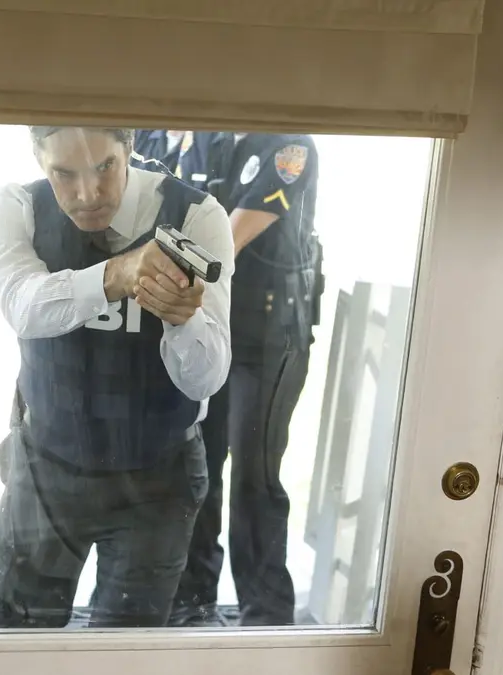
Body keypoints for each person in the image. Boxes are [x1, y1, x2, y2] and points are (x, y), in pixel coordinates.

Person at [0, 126, 235, 628]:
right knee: (11, 645)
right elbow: (22, 307)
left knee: (124, 654)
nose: (88, 193)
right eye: (64, 173)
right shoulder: (17, 207)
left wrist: (181, 319)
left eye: (104, 167)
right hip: (48, 466)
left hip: (158, 474)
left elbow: (206, 379)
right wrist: (117, 275)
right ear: (38, 157)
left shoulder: (198, 216)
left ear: (129, 148)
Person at [141, 131, 322, 627]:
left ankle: (266, 615)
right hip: (212, 332)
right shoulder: (207, 138)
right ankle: (193, 603)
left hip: (268, 340)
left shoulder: (288, 144)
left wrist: (152, 264)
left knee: (254, 478)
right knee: (199, 467)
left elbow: (226, 242)